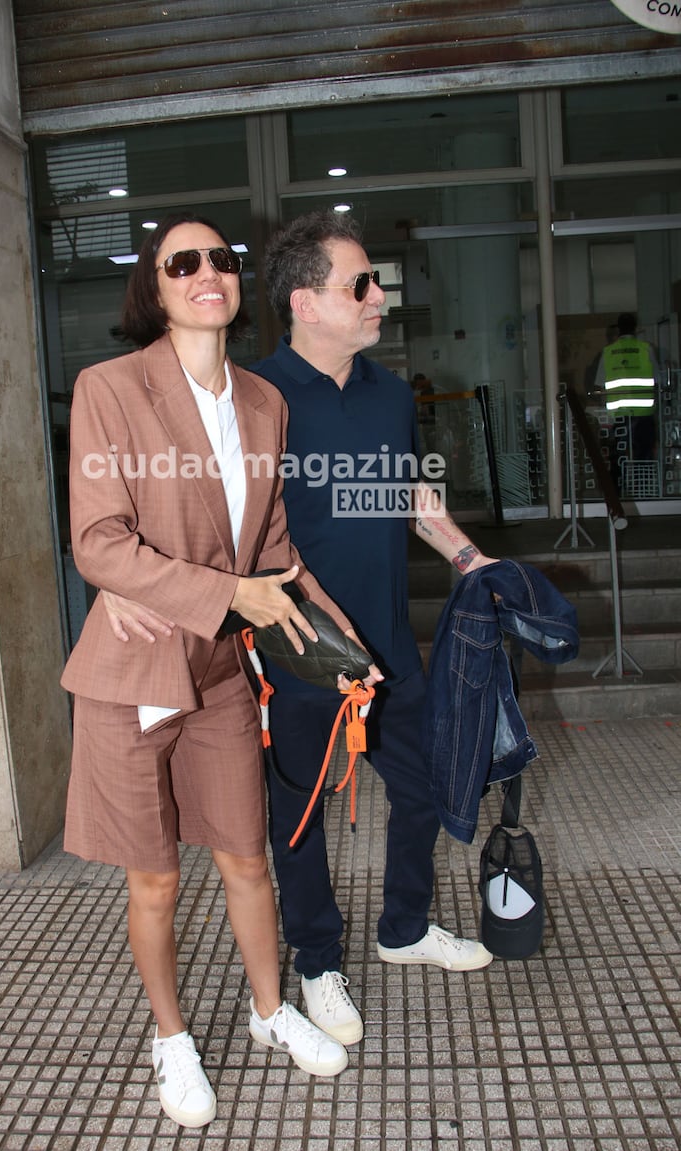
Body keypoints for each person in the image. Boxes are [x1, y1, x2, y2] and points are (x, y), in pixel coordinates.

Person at [103, 210, 498, 1049]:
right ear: (304, 302)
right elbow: (199, 521)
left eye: (374, 282)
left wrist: (473, 562)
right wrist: (130, 582)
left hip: (386, 638)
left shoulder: (392, 393)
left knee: (421, 784)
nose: (377, 297)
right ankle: (317, 961)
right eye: (360, 284)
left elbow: (405, 498)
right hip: (299, 645)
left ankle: (403, 925)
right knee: (297, 812)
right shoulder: (260, 395)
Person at [61, 211, 379, 1129]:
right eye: (183, 261)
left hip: (220, 670)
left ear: (238, 285)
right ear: (155, 288)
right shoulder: (110, 389)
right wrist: (226, 594)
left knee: (248, 851)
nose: (209, 272)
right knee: (154, 875)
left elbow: (271, 550)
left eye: (223, 260)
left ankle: (269, 1011)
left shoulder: (262, 403)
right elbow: (98, 541)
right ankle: (170, 1038)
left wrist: (331, 627)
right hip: (135, 672)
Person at [593, 312, 660, 464]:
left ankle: (618, 487)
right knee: (644, 457)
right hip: (644, 413)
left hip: (618, 414)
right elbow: (658, 379)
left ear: (619, 329)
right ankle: (642, 485)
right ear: (635, 328)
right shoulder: (645, 349)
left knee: (617, 455)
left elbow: (599, 385)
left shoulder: (608, 352)